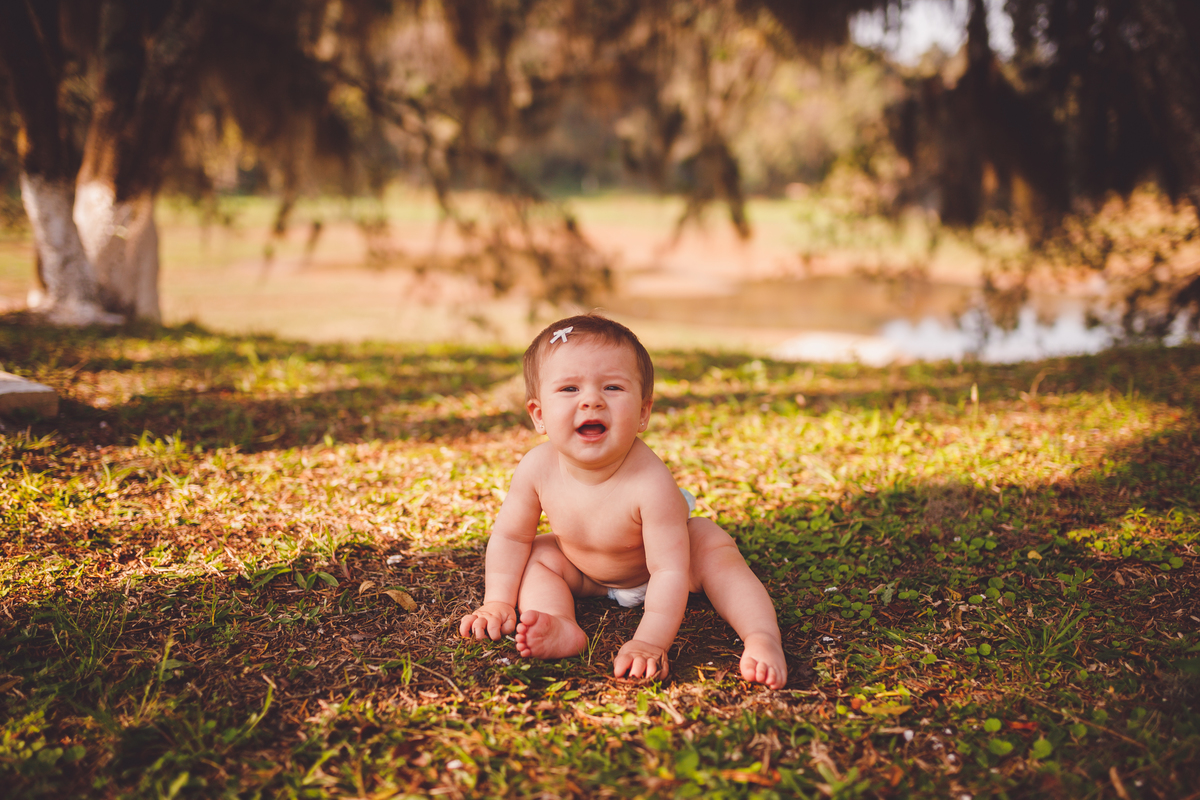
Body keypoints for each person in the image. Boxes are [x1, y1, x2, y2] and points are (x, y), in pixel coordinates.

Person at [459, 314, 787, 688]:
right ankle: (561, 624)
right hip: (587, 572)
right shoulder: (536, 468)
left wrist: (650, 642)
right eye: (569, 389)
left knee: (711, 545)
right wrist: (498, 601)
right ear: (539, 416)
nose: (591, 401)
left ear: (643, 412)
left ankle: (762, 636)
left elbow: (668, 571)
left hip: (662, 567)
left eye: (612, 387)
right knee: (536, 554)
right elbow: (510, 537)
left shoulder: (650, 481)